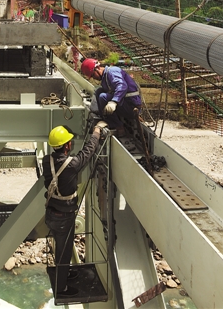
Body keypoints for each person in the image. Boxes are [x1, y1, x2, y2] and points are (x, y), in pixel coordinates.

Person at [42, 121, 107, 299]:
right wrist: (96, 132)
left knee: (61, 248)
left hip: (52, 214)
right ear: (67, 145)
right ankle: (61, 288)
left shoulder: (47, 161)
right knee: (64, 253)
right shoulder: (71, 165)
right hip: (64, 217)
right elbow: (88, 152)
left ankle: (64, 273)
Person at [81, 58, 141, 136]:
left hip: (132, 106)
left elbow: (122, 86)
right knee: (99, 91)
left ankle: (117, 126)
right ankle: (106, 119)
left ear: (98, 68)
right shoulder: (105, 78)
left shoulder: (112, 72)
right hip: (125, 102)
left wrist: (114, 102)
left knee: (103, 97)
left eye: (93, 74)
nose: (93, 77)